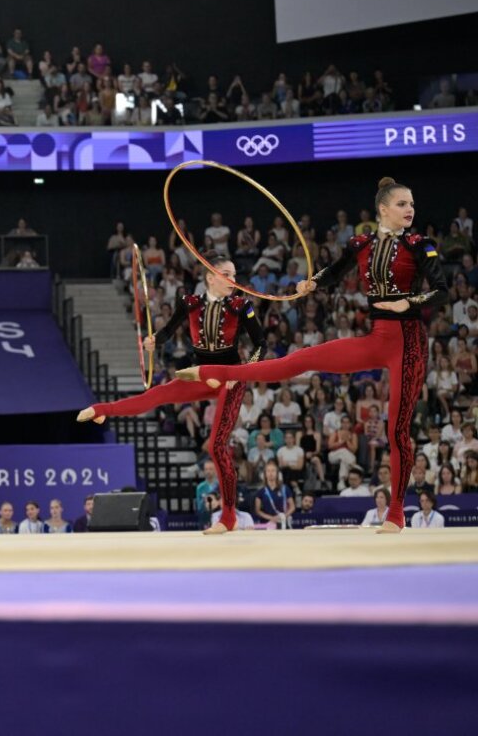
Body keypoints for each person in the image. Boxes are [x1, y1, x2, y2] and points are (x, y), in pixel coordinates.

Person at [178, 178, 447, 533]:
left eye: (411, 203)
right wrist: (313, 283)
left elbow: (441, 291)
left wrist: (406, 301)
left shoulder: (418, 244)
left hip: (409, 341)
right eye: (401, 204)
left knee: (397, 427)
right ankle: (218, 370)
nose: (409, 209)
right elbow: (335, 271)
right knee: (301, 359)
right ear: (383, 209)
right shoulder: (361, 242)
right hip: (378, 337)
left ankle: (395, 513)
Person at [79, 257, 264, 533]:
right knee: (157, 395)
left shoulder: (240, 306)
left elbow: (261, 344)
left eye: (234, 275)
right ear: (210, 276)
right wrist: (156, 341)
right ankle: (103, 409)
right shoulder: (190, 303)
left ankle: (228, 517)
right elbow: (168, 330)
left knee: (216, 446)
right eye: (226, 274)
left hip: (230, 377)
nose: (233, 280)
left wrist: (241, 374)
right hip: (201, 373)